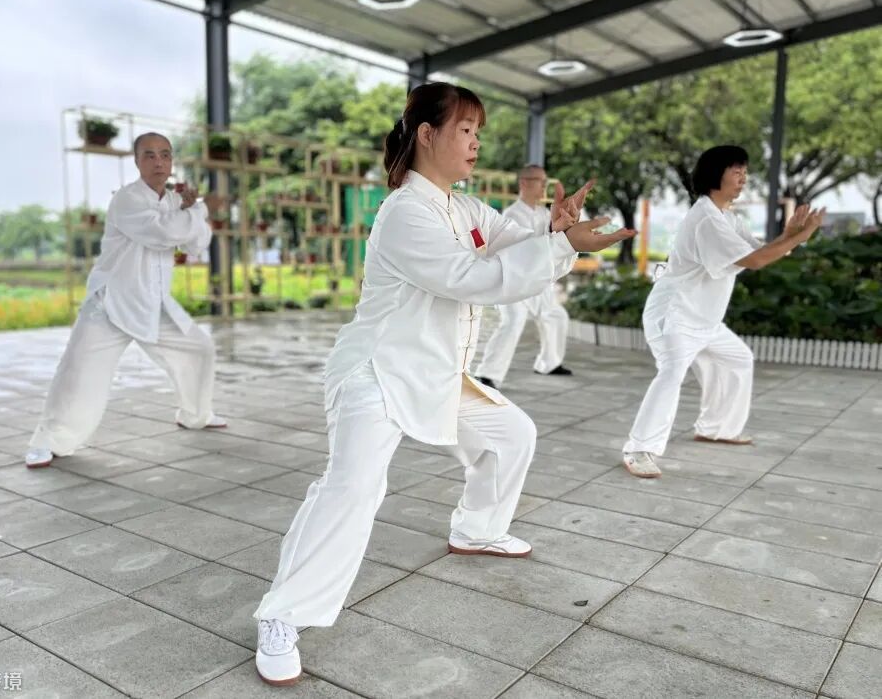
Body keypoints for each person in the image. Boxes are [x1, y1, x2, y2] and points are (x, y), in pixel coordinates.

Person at [252, 82, 635, 686]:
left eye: (479, 132)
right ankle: (281, 616)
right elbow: (471, 278)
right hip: (377, 373)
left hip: (434, 372)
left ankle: (477, 529)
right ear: (427, 135)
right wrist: (560, 245)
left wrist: (554, 233)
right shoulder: (405, 212)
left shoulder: (465, 208)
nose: (476, 143)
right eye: (466, 130)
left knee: (512, 434)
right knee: (352, 489)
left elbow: (514, 247)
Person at [25, 132, 228, 469]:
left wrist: (191, 211)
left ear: (172, 161)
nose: (159, 161)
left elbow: (196, 243)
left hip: (153, 304)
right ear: (136, 161)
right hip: (110, 303)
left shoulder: (175, 201)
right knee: (78, 372)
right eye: (149, 155)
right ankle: (48, 441)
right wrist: (200, 209)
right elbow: (164, 233)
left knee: (200, 348)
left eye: (165, 154)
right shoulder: (127, 199)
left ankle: (196, 415)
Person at [621, 145, 825, 479]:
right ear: (715, 175)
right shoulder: (706, 220)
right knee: (671, 375)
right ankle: (638, 449)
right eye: (737, 171)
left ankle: (716, 428)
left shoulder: (727, 218)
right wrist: (801, 235)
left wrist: (790, 236)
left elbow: (761, 251)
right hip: (675, 316)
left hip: (705, 318)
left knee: (738, 360)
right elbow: (756, 261)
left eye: (745, 172)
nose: (744, 178)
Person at [475, 164, 575, 388]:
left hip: (538, 281)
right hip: (514, 281)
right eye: (540, 181)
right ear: (524, 183)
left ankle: (549, 363)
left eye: (545, 182)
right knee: (513, 321)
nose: (544, 186)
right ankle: (488, 374)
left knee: (555, 315)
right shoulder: (512, 214)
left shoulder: (544, 213)